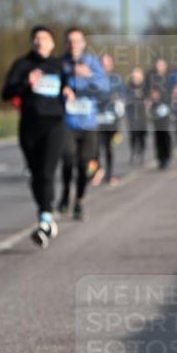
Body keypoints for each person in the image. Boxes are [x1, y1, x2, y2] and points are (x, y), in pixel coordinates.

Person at [2, 25, 65, 247]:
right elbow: (6, 93)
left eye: (44, 38)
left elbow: (73, 88)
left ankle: (45, 221)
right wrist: (25, 82)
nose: (40, 42)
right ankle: (45, 211)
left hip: (54, 126)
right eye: (36, 38)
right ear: (32, 42)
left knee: (46, 172)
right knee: (35, 174)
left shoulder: (60, 66)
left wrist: (71, 91)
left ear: (52, 43)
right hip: (29, 126)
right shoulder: (22, 65)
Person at [59, 29, 108, 220]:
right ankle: (64, 194)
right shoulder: (61, 63)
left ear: (83, 44)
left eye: (77, 41)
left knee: (83, 165)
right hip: (67, 123)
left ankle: (78, 201)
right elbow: (53, 83)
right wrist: (64, 89)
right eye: (70, 42)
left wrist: (87, 76)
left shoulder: (92, 63)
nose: (73, 45)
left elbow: (105, 87)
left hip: (89, 124)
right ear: (66, 44)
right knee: (68, 160)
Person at [95, 52, 124, 185]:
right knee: (94, 147)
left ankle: (110, 174)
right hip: (96, 119)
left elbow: (123, 95)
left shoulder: (116, 79)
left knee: (108, 148)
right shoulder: (93, 78)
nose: (104, 67)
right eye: (102, 64)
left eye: (107, 64)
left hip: (111, 119)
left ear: (111, 65)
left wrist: (120, 103)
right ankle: (96, 171)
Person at [147, 57, 172, 169]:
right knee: (157, 134)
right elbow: (146, 91)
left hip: (166, 109)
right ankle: (160, 158)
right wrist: (151, 96)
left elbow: (174, 92)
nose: (159, 67)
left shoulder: (169, 78)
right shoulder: (150, 77)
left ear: (165, 66)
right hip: (155, 110)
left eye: (162, 65)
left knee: (165, 133)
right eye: (158, 65)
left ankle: (167, 156)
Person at [125, 66, 148, 166]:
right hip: (132, 114)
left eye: (138, 73)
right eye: (134, 73)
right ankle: (133, 152)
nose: (136, 75)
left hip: (142, 114)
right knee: (133, 135)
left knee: (142, 135)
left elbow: (148, 98)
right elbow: (125, 98)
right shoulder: (129, 86)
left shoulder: (145, 86)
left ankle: (141, 153)